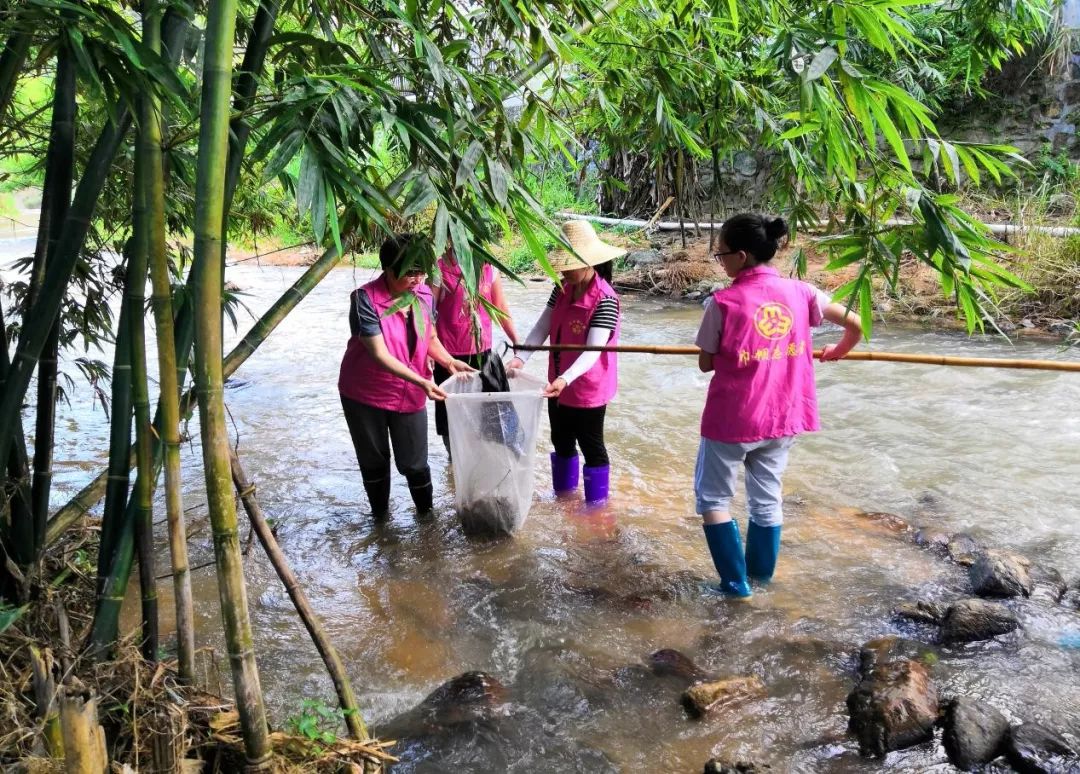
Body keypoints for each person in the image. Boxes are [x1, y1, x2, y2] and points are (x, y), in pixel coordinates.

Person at [694, 213, 861, 597]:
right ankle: (761, 582)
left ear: (740, 256)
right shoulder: (804, 293)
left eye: (721, 255)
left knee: (714, 498)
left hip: (733, 419)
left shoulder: (722, 302)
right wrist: (837, 351)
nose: (720, 262)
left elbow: (705, 362)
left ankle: (736, 587)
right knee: (767, 498)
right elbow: (856, 324)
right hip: (785, 416)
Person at [338, 234, 474, 520]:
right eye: (409, 272)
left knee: (415, 463)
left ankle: (426, 519)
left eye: (421, 271)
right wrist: (423, 381)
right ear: (387, 269)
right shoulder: (364, 299)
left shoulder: (424, 294)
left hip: (410, 392)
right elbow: (379, 354)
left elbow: (430, 336)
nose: (417, 279)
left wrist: (449, 362)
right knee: (374, 462)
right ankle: (381, 521)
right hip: (365, 393)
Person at [508, 220, 624, 505]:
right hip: (557, 382)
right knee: (561, 443)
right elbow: (542, 326)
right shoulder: (561, 288)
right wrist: (520, 357)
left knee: (592, 447)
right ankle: (565, 500)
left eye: (569, 265)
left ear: (589, 263)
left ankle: (596, 509)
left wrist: (565, 379)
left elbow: (592, 351)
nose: (563, 270)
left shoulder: (605, 300)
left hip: (587, 388)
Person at [431, 244, 519, 458]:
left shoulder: (489, 267)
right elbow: (428, 313)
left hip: (485, 355)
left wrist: (517, 342)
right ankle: (457, 467)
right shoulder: (439, 268)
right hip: (449, 358)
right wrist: (431, 353)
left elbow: (500, 308)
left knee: (496, 420)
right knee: (453, 420)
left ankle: (492, 466)